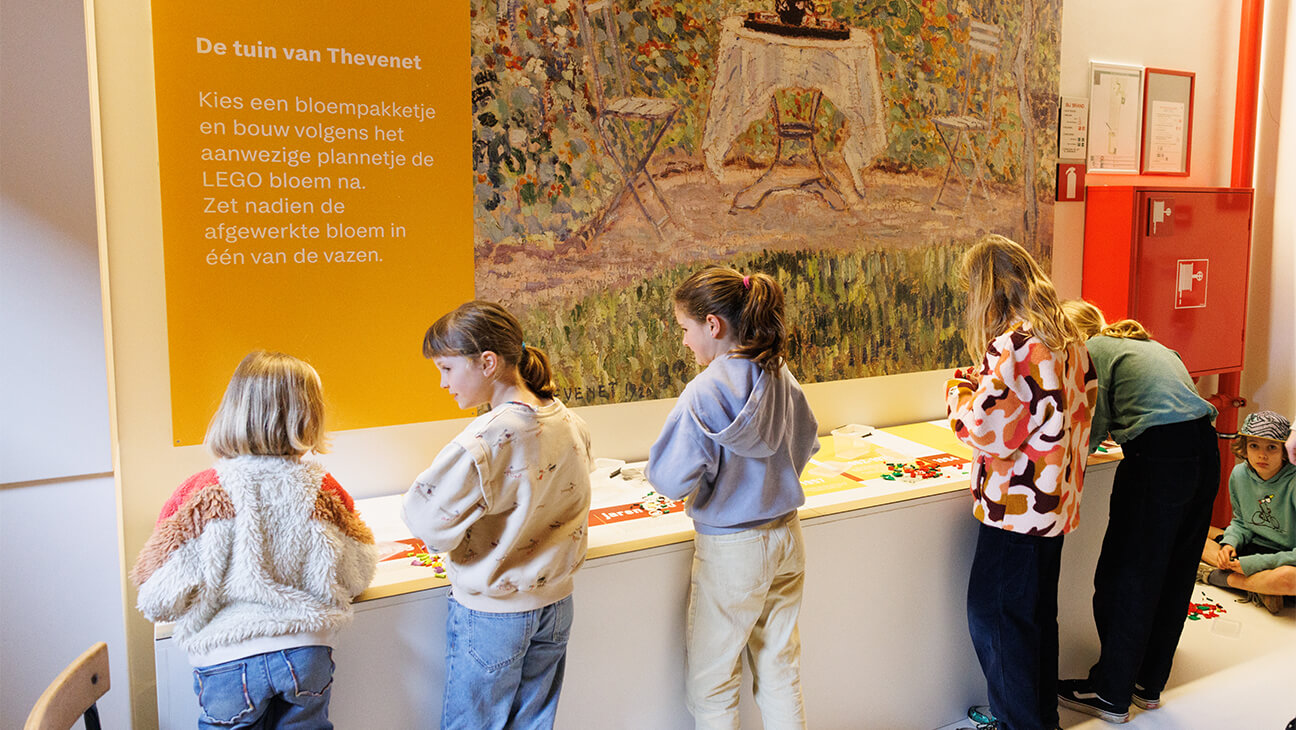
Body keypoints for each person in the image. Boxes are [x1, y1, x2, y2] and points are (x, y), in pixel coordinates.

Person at [131, 351, 378, 730]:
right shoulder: (323, 490)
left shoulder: (201, 492)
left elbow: (158, 595)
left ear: (233, 411)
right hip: (307, 652)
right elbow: (359, 570)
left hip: (228, 658)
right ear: (309, 415)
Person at [402, 300, 592, 730]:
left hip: (493, 614)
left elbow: (425, 520)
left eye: (447, 369)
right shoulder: (567, 420)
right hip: (556, 604)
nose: (442, 382)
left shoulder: (486, 437)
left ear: (487, 362)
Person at [647, 266, 819, 730]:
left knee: (713, 682)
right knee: (780, 667)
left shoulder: (703, 393)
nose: (684, 341)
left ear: (713, 325)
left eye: (685, 329)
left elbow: (668, 478)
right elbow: (806, 441)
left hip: (731, 551)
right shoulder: (780, 375)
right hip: (786, 535)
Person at [946, 235, 1096, 730]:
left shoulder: (1015, 344)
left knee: (996, 622)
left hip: (1015, 508)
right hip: (1052, 505)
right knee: (1033, 622)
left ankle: (1019, 724)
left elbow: (986, 432)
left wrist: (958, 391)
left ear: (987, 289)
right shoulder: (1068, 337)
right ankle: (1038, 720)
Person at [1055, 300, 1219, 722]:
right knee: (1174, 574)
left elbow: (1086, 431)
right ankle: (1147, 684)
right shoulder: (1148, 345)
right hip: (1204, 451)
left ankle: (1109, 692)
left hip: (1157, 461)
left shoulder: (1092, 353)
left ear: (1072, 338)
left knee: (1126, 577)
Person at [1200, 410, 1296, 615]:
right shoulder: (1239, 474)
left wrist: (1253, 564)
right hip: (1252, 547)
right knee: (1194, 534)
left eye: (1272, 447)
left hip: (1287, 557)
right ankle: (1261, 588)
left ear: (1285, 450)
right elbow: (1242, 522)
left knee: (1289, 578)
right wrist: (1229, 544)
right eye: (1254, 446)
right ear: (1244, 447)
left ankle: (1221, 578)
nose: (1262, 455)